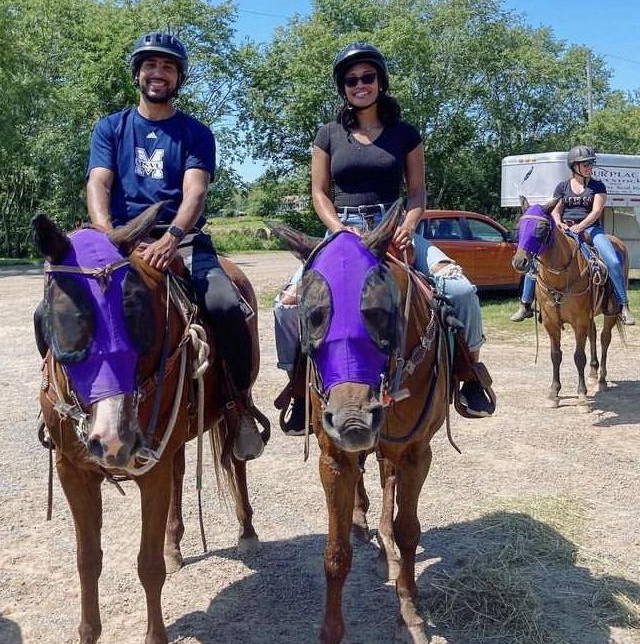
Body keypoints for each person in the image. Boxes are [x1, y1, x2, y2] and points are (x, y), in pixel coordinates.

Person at [274, 42, 496, 434]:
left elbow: (417, 193)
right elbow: (319, 194)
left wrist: (409, 226)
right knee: (287, 305)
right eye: (351, 80)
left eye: (367, 77)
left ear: (381, 82)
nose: (360, 85)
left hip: (394, 227)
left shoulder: (404, 134)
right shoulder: (327, 135)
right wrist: (341, 232)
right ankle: (296, 388)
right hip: (341, 229)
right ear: (343, 88)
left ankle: (469, 373)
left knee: (459, 289)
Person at [86, 31, 265, 461]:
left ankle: (238, 406)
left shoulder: (195, 133)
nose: (158, 73)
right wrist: (108, 233)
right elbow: (98, 182)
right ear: (137, 73)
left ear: (178, 77)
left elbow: (195, 192)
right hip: (122, 239)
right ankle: (63, 406)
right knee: (62, 303)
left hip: (181, 241)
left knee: (225, 305)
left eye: (168, 67)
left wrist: (172, 238)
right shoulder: (111, 127)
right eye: (150, 65)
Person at [511, 145, 635, 325]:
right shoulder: (562, 187)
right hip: (565, 230)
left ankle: (622, 305)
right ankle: (526, 305)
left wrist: (581, 226)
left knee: (614, 261)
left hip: (591, 230)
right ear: (574, 166)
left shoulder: (597, 186)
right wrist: (559, 222)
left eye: (590, 163)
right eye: (585, 164)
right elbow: (556, 209)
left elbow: (596, 211)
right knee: (536, 260)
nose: (589, 167)